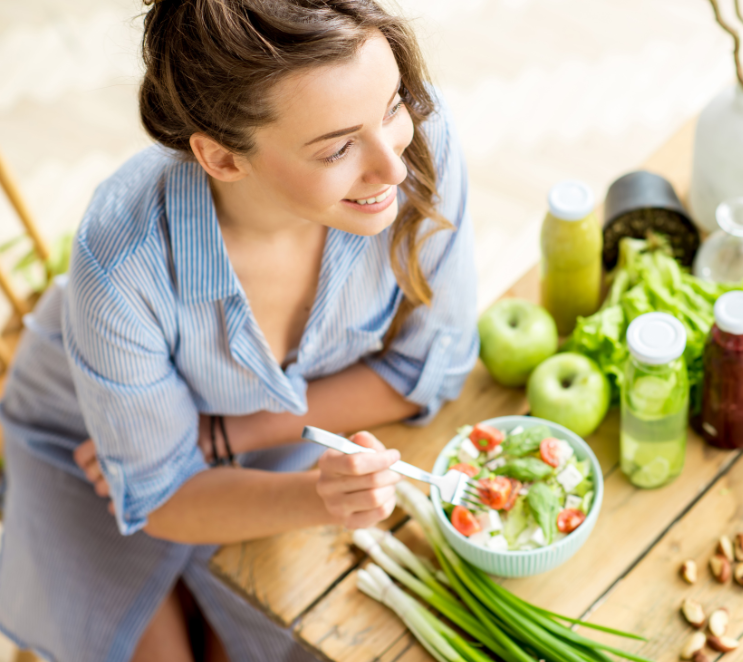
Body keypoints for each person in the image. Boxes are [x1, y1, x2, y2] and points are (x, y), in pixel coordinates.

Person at [0, 0, 478, 660]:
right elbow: (164, 494)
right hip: (86, 444)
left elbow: (433, 365)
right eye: (338, 147)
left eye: (392, 105)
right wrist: (321, 495)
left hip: (261, 436)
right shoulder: (121, 259)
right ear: (222, 158)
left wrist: (228, 435)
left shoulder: (415, 146)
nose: (392, 168)